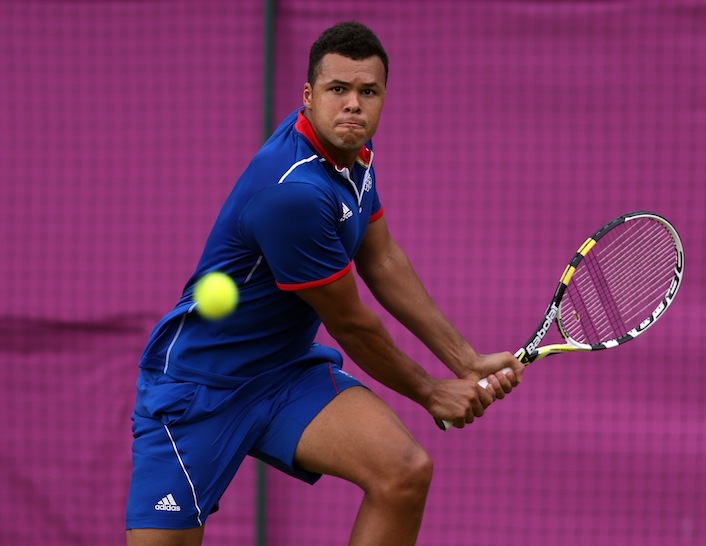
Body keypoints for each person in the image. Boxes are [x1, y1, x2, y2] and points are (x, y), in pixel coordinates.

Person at [125, 21, 524, 546]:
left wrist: (465, 360)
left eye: (368, 92)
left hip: (284, 372)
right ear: (309, 97)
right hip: (200, 390)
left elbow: (381, 260)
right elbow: (352, 326)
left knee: (402, 472)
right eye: (338, 90)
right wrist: (429, 392)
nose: (354, 105)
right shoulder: (294, 193)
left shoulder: (355, 158)